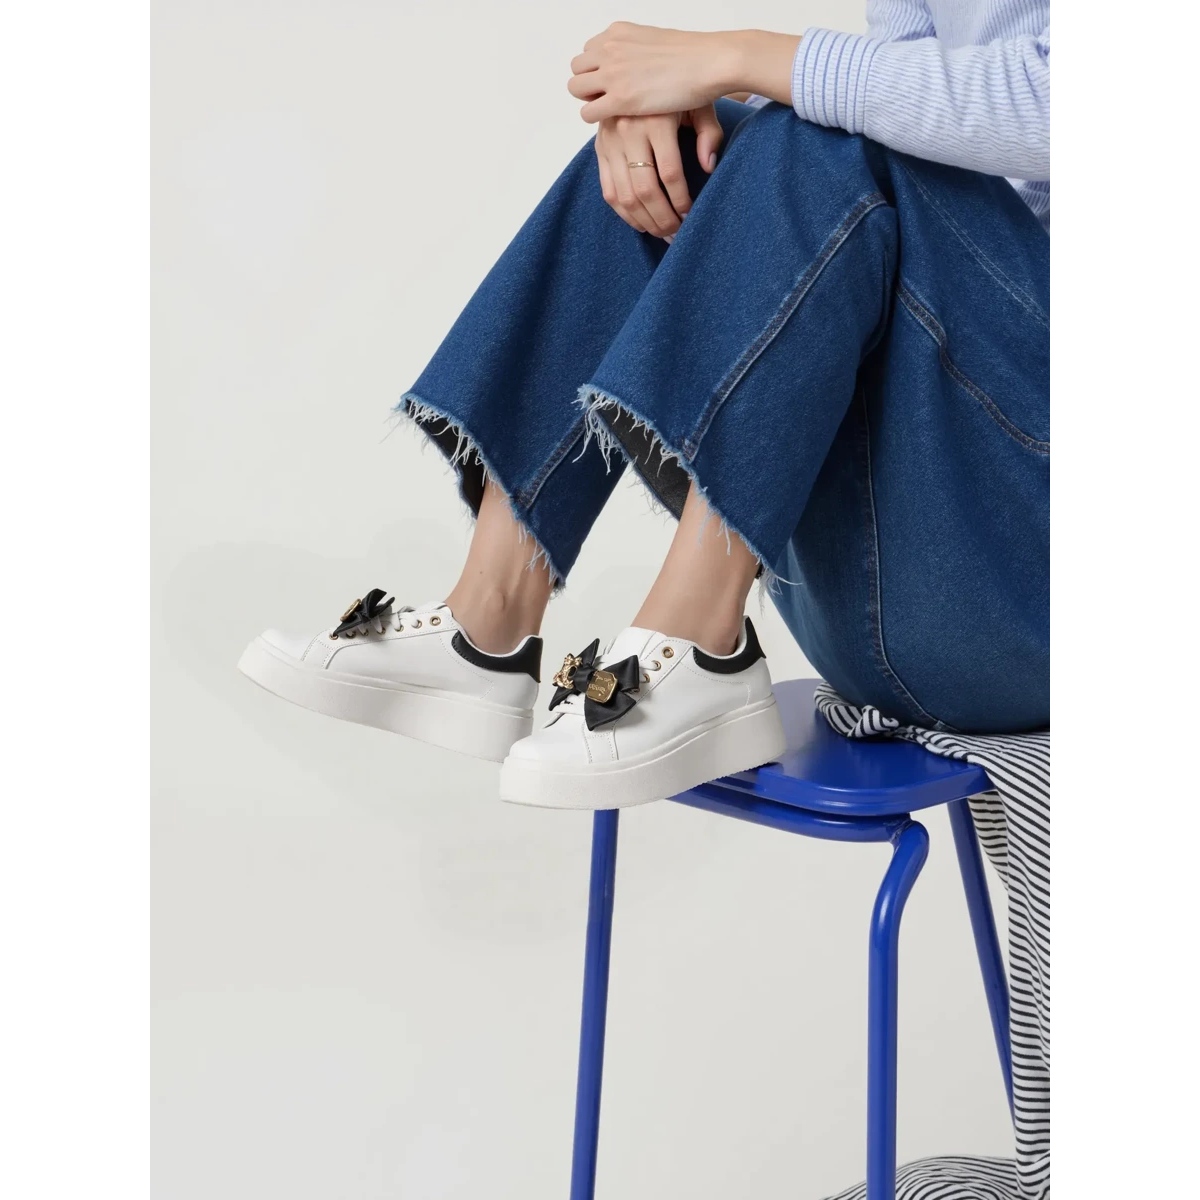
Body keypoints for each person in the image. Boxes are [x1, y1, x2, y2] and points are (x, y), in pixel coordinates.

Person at [239, 5, 1050, 812]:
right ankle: (486, 622)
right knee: (685, 152)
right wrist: (676, 105)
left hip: (1028, 588)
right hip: (914, 580)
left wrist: (734, 59)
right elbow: (911, 105)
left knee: (812, 130)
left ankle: (701, 640)